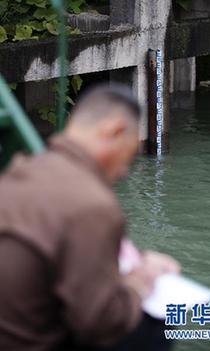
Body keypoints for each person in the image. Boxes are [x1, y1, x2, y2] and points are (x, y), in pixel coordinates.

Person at [0, 84, 180, 351]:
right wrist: (138, 284)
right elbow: (99, 322)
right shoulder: (92, 203)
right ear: (115, 132)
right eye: (128, 158)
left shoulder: (20, 168)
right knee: (156, 326)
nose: (122, 172)